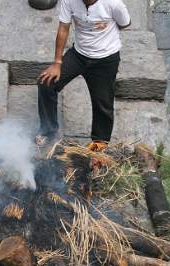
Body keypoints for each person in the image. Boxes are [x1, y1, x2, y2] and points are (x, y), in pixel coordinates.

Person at [36, 0, 131, 152]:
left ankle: (99, 143)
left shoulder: (114, 3)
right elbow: (63, 28)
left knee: (103, 103)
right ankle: (49, 132)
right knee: (46, 83)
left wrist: (104, 34)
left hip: (105, 59)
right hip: (78, 55)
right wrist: (57, 62)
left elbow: (125, 23)